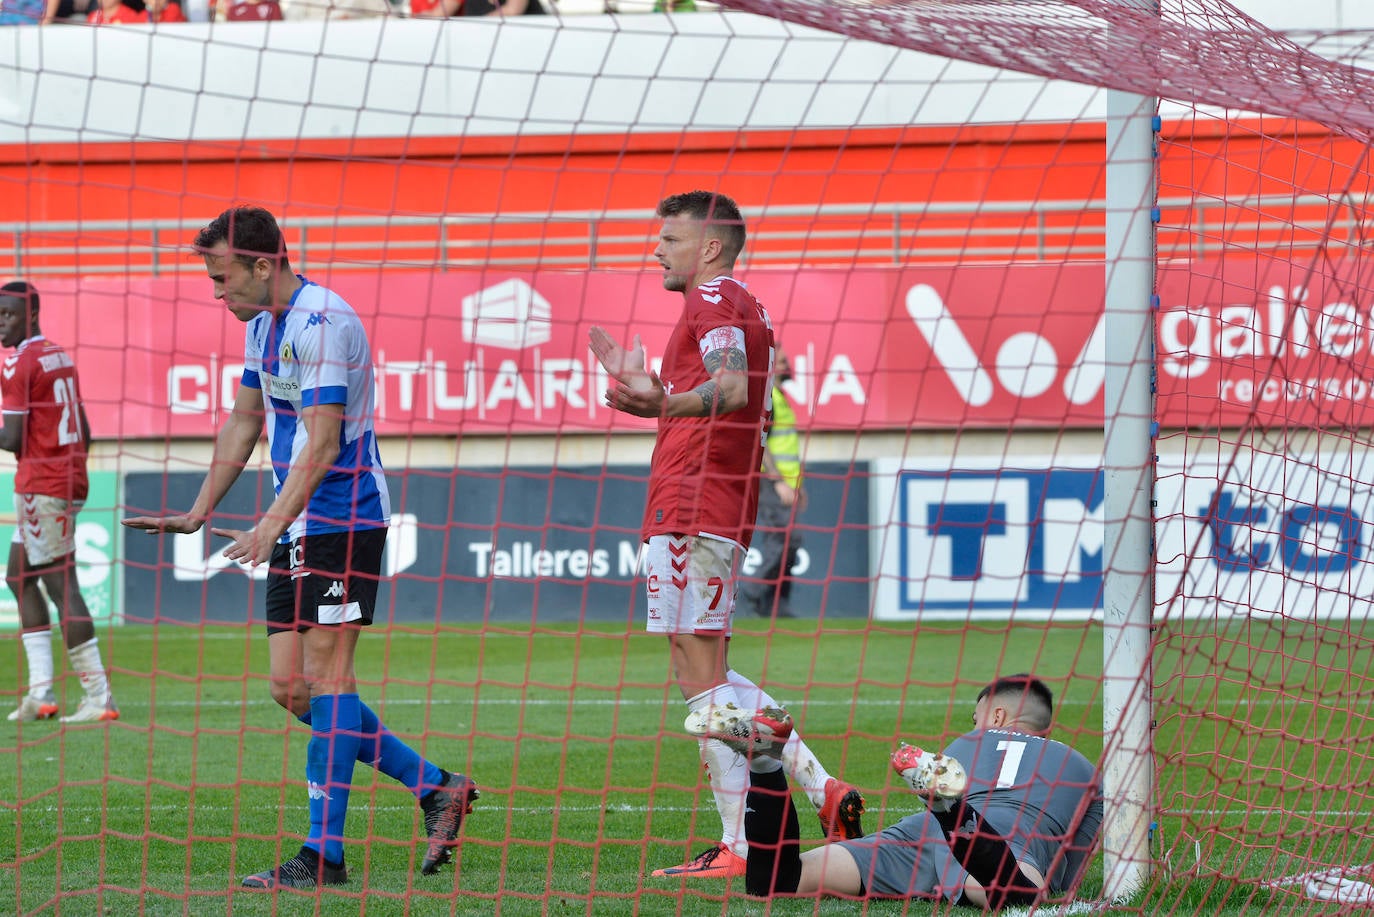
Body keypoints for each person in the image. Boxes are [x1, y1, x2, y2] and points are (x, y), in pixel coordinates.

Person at [123, 206, 477, 889]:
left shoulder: (324, 322)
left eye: (223, 277)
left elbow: (322, 442)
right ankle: (436, 785)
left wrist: (269, 522)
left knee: (329, 678)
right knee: (290, 688)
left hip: (343, 516)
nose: (216, 292)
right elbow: (244, 420)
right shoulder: (263, 325)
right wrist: (200, 512)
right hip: (295, 522)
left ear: (264, 264)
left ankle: (323, 855)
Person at [588, 190, 864, 878]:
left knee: (698, 676)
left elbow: (732, 387)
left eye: (671, 238)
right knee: (703, 671)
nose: (658, 248)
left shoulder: (711, 296)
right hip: (713, 501)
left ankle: (741, 843)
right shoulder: (744, 303)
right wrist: (651, 387)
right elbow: (726, 388)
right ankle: (823, 787)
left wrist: (663, 400)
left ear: (710, 246)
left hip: (693, 502)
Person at [692, 674, 1103, 907]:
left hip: (918, 838)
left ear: (996, 715)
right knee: (1018, 896)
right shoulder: (1082, 767)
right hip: (1004, 845)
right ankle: (950, 811)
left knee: (777, 882)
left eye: (975, 717)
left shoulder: (966, 744)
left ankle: (765, 764)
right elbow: (1069, 876)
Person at [0, 282, 119, 725]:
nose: (0, 324)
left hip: (42, 484)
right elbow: (84, 427)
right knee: (18, 576)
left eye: (8, 316)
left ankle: (98, 696)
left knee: (60, 584)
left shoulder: (19, 363)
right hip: (66, 478)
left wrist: (51, 475)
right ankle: (40, 694)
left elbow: (12, 439)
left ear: (30, 315)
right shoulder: (59, 354)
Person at [737, 343, 804, 619]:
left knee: (790, 542)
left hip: (788, 485)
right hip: (772, 482)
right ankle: (755, 591)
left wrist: (799, 485)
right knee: (784, 540)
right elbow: (760, 442)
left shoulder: (781, 396)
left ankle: (775, 604)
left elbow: (787, 447)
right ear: (771, 365)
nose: (789, 366)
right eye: (784, 361)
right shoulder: (770, 397)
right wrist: (778, 481)